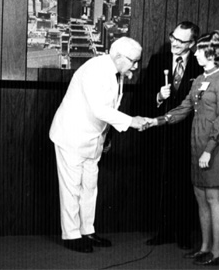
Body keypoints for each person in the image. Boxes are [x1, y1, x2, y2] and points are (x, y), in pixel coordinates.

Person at [145, 30, 219, 266]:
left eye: (199, 50)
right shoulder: (198, 80)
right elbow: (184, 108)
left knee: (215, 197)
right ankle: (205, 248)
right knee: (200, 197)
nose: (195, 54)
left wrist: (209, 150)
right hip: (197, 143)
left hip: (215, 148)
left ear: (213, 53)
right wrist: (158, 120)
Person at [49, 36, 148, 253]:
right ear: (119, 56)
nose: (136, 66)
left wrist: (108, 137)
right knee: (71, 187)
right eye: (133, 61)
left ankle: (87, 230)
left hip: (93, 139)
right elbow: (99, 109)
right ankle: (72, 235)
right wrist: (132, 122)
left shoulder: (116, 71)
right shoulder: (94, 70)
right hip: (72, 136)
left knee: (89, 187)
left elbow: (109, 107)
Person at [140, 21, 201, 250]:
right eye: (172, 37)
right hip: (161, 135)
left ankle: (183, 234)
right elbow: (143, 96)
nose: (174, 43)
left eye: (181, 41)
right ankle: (163, 231)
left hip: (187, 135)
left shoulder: (199, 64)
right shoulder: (158, 61)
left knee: (184, 185)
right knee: (162, 182)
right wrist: (158, 96)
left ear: (192, 43)